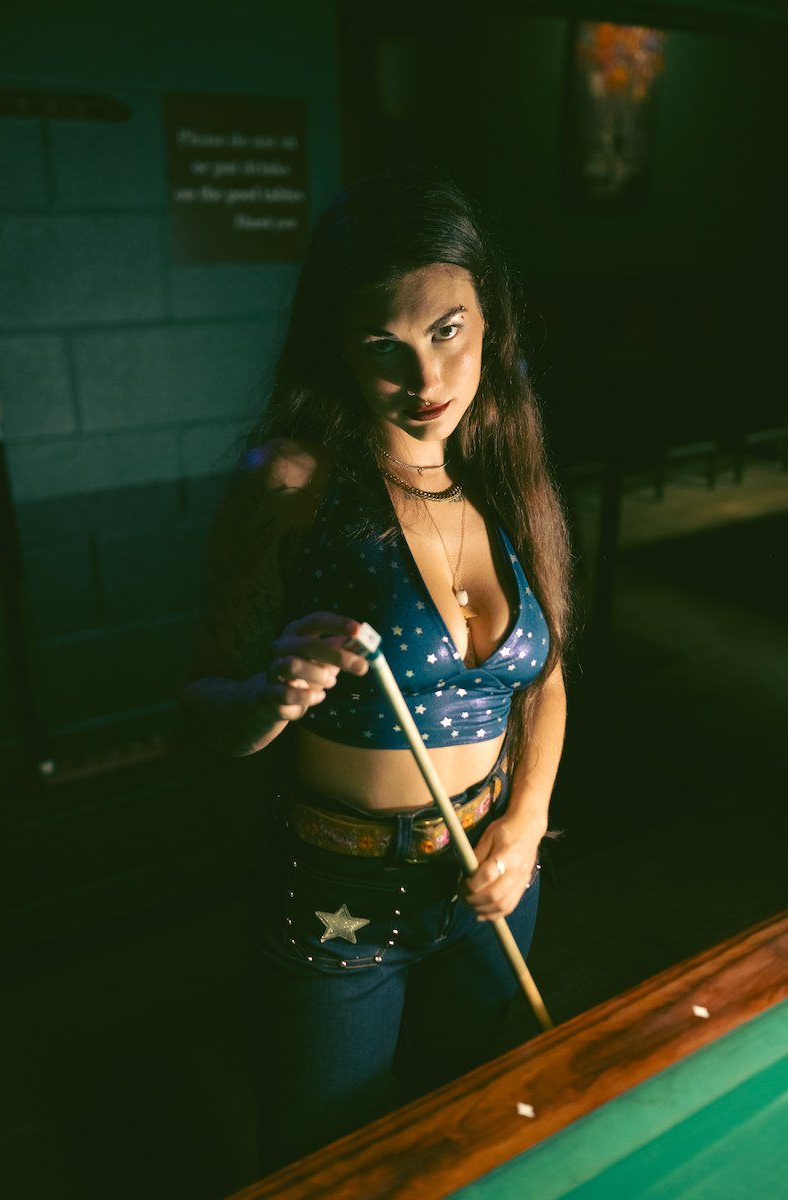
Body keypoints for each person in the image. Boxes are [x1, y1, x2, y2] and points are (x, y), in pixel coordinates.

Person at [181, 172, 570, 1176]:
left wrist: (523, 825)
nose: (425, 375)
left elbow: (544, 677)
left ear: (490, 321)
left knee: (474, 1137)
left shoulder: (503, 476)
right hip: (333, 898)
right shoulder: (291, 482)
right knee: (327, 1167)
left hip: (489, 880)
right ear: (338, 348)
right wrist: (269, 695)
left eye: (446, 330)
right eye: (381, 347)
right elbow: (201, 710)